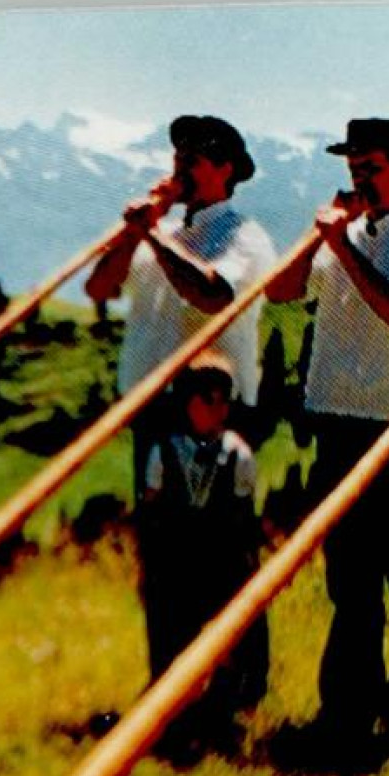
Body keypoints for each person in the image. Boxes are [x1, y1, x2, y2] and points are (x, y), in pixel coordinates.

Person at [263, 118, 389, 776]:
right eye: (353, 167)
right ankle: (346, 713)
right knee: (350, 583)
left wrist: (341, 249)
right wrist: (316, 237)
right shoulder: (339, 238)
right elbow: (281, 291)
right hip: (338, 426)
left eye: (372, 167)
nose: (362, 178)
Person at [85, 114, 276, 683]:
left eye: (192, 160)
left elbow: (212, 294)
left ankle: (237, 680)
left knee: (223, 550)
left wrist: (151, 236)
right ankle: (170, 681)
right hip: (156, 405)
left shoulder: (245, 236)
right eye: (177, 158)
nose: (180, 170)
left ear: (224, 170)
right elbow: (99, 289)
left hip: (216, 409)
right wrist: (131, 236)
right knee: (164, 554)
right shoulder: (158, 235)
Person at [136, 353, 267, 761]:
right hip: (176, 562)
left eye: (225, 400)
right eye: (208, 399)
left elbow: (245, 519)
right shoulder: (164, 452)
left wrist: (248, 565)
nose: (219, 409)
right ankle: (172, 713)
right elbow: (153, 514)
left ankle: (225, 710)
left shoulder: (239, 455)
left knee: (234, 637)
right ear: (187, 403)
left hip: (222, 561)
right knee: (171, 632)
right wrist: (152, 563)